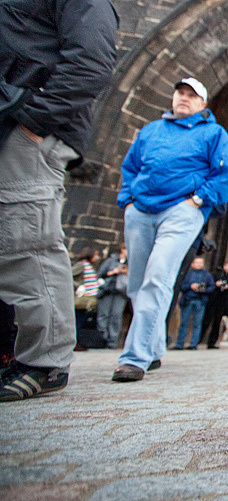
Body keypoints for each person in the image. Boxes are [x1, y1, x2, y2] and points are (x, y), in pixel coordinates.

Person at [0, 0, 118, 401]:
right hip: (12, 115)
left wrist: (36, 121)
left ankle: (43, 361)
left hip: (27, 123)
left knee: (23, 239)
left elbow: (92, 59)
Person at [112, 77, 228, 382]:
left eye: (191, 95)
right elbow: (130, 167)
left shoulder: (213, 133)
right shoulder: (151, 130)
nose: (184, 98)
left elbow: (225, 175)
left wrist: (197, 200)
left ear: (202, 104)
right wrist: (127, 200)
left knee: (158, 276)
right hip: (140, 209)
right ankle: (153, 348)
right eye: (180, 92)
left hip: (182, 209)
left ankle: (134, 358)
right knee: (137, 283)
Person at [173, 257, 215, 350]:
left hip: (200, 301)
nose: (199, 264)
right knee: (184, 323)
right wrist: (190, 286)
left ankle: (193, 344)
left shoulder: (206, 275)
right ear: (192, 264)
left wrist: (202, 289)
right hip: (188, 300)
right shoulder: (187, 274)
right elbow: (180, 286)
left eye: (201, 262)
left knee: (197, 323)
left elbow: (212, 287)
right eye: (197, 262)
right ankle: (179, 344)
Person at [96, 243, 129, 349]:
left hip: (121, 292)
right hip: (108, 290)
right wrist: (114, 272)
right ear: (122, 250)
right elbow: (101, 274)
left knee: (116, 316)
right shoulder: (111, 260)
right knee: (103, 315)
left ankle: (112, 342)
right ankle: (102, 339)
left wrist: (126, 272)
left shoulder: (131, 263)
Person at [202, 261, 228, 349]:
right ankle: (199, 339)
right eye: (226, 266)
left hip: (223, 301)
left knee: (217, 322)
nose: (227, 268)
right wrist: (216, 284)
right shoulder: (215, 275)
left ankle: (212, 342)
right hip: (213, 299)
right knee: (206, 320)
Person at [72, 248, 101, 349]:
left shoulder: (91, 266)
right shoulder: (81, 265)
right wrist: (78, 285)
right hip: (80, 296)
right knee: (77, 320)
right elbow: (69, 275)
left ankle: (77, 341)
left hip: (87, 297)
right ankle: (74, 342)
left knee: (80, 320)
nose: (97, 257)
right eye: (96, 255)